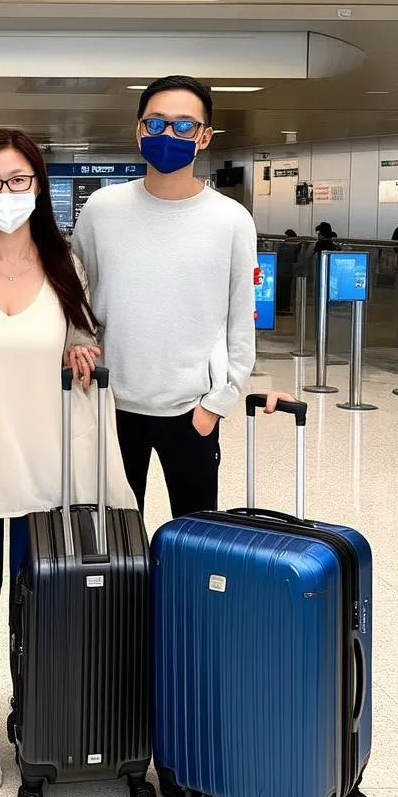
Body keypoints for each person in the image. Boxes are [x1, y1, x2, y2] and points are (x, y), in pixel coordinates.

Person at [0, 128, 135, 794]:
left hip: (49, 470)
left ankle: (37, 713)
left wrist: (82, 349)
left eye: (19, 181)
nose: (7, 193)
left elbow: (84, 336)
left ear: (39, 187)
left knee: (43, 602)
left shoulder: (64, 265)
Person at [72, 76, 259, 518]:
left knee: (194, 544)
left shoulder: (231, 220)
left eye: (183, 125)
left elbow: (240, 318)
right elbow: (75, 291)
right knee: (116, 545)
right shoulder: (102, 210)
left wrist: (218, 403)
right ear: (139, 130)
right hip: (111, 405)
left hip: (192, 410)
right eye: (156, 124)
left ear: (205, 136)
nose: (168, 135)